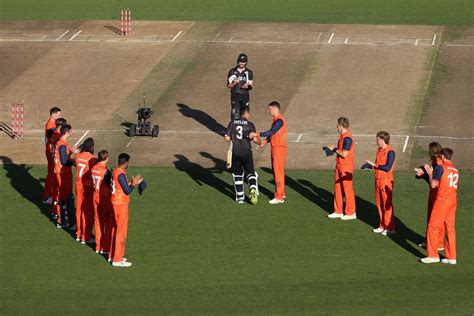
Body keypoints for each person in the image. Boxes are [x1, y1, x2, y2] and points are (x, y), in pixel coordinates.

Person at [421, 148, 459, 265]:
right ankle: (451, 257)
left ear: (442, 156)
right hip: (453, 200)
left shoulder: (442, 168)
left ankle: (433, 255)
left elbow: (433, 185)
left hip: (442, 200)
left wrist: (430, 173)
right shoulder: (455, 170)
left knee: (433, 226)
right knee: (450, 229)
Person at [110, 153, 142, 267]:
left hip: (115, 203)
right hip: (120, 204)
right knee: (121, 232)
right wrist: (133, 183)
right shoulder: (121, 174)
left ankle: (113, 255)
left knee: (115, 229)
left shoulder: (116, 171)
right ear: (126, 163)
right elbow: (127, 191)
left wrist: (132, 183)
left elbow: (121, 187)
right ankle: (117, 259)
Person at [224, 105, 260, 204]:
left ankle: (240, 197)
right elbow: (255, 140)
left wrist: (232, 138)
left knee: (238, 174)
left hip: (235, 152)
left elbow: (226, 138)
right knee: (250, 173)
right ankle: (252, 188)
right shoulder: (250, 124)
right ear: (247, 113)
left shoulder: (232, 123)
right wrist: (259, 142)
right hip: (246, 152)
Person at [253, 101, 287, 204]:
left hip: (278, 148)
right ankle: (281, 193)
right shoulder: (277, 120)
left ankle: (279, 196)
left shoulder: (279, 121)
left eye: (269, 108)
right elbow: (273, 134)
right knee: (276, 171)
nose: (268, 111)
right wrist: (265, 141)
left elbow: (271, 132)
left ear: (275, 108)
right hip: (276, 147)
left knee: (278, 172)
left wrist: (258, 134)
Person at [414, 142, 445, 250]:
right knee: (436, 219)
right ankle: (433, 241)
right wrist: (422, 173)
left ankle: (436, 243)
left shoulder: (437, 163)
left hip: (436, 195)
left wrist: (424, 174)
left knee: (434, 220)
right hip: (438, 194)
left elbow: (433, 183)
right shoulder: (437, 161)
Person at [364, 131, 396, 235]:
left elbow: (387, 167)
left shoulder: (390, 152)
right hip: (378, 179)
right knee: (379, 204)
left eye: (377, 139)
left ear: (382, 139)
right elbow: (378, 164)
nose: (376, 141)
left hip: (386, 181)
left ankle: (390, 228)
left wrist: (375, 165)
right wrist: (370, 166)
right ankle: (382, 225)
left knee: (387, 205)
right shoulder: (379, 150)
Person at [326, 117, 357, 220]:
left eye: (337, 125)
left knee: (347, 190)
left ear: (341, 125)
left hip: (346, 166)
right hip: (340, 165)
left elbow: (344, 154)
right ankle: (338, 211)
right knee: (338, 189)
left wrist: (334, 149)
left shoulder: (347, 138)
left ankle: (351, 212)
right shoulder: (342, 137)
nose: (336, 127)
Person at [91, 150, 114, 256]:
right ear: (106, 158)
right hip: (104, 198)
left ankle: (98, 246)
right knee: (108, 223)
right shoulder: (105, 171)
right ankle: (105, 247)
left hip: (95, 196)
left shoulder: (93, 168)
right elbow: (110, 185)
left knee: (97, 221)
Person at [53, 124, 76, 229]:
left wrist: (71, 152)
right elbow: (64, 161)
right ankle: (71, 222)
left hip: (59, 172)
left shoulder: (59, 142)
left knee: (62, 197)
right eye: (70, 131)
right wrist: (73, 162)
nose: (72, 132)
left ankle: (62, 220)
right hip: (63, 173)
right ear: (66, 132)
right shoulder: (62, 145)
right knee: (68, 198)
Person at [74, 138, 97, 244]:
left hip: (78, 185)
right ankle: (86, 236)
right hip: (88, 187)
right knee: (87, 211)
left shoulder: (78, 156)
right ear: (92, 147)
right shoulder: (92, 159)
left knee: (79, 209)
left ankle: (79, 233)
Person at [43, 106, 61, 204]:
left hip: (50, 150)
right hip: (51, 152)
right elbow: (53, 136)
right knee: (51, 175)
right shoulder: (50, 125)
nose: (60, 116)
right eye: (58, 114)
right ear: (53, 114)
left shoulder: (52, 123)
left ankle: (49, 194)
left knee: (52, 174)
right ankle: (47, 196)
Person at [227, 53, 253, 120]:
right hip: (235, 94)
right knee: (235, 113)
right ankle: (233, 129)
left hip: (245, 95)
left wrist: (247, 86)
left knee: (244, 114)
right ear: (238, 62)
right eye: (240, 62)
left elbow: (251, 86)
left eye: (243, 62)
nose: (241, 63)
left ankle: (243, 129)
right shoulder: (232, 71)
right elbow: (228, 85)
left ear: (246, 62)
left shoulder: (249, 72)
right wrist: (234, 83)